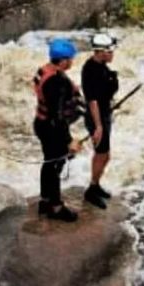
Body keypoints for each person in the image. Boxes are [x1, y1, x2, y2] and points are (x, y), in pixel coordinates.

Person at [33, 38, 84, 222]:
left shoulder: (45, 70)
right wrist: (69, 140)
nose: (72, 62)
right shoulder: (56, 81)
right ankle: (55, 207)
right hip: (52, 127)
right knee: (55, 165)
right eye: (70, 59)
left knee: (49, 163)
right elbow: (58, 116)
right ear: (63, 61)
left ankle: (45, 200)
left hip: (41, 123)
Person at [81, 32, 119, 209]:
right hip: (96, 117)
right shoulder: (90, 70)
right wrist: (98, 127)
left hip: (104, 114)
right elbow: (92, 101)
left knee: (105, 154)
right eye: (109, 51)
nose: (112, 54)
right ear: (100, 51)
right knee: (102, 153)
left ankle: (95, 185)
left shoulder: (102, 65)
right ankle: (91, 190)